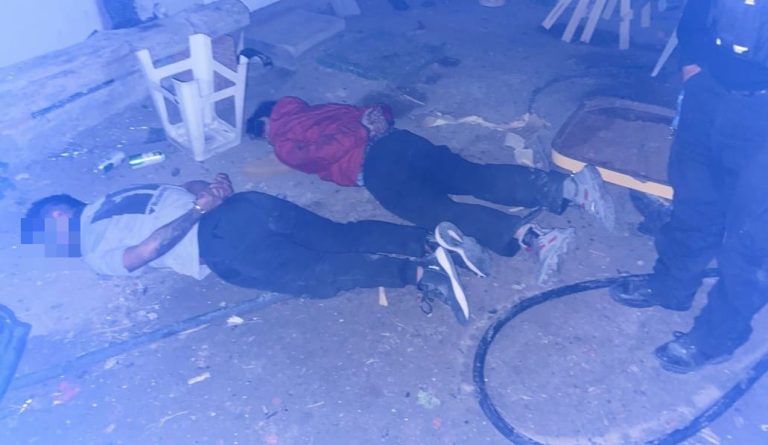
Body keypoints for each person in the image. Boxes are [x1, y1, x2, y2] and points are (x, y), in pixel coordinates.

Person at [22, 174, 489, 325]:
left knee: (319, 276)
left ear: (59, 215)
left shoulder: (92, 247)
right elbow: (188, 185)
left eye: (47, 237)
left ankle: (424, 275)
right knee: (338, 236)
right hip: (247, 206)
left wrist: (199, 210)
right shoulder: (119, 195)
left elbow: (142, 253)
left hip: (223, 242)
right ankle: (430, 242)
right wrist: (210, 194)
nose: (53, 248)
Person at [245, 97, 615, 285]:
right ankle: (571, 187)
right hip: (400, 142)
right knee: (471, 176)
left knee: (436, 212)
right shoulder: (321, 109)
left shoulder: (283, 138)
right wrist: (374, 120)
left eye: (262, 134)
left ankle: (536, 237)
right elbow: (376, 110)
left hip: (375, 166)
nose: (269, 142)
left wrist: (361, 131)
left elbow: (313, 155)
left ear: (266, 121)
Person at [611, 0, 768, 373]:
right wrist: (693, 59)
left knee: (753, 238)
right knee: (694, 199)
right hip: (709, 88)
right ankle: (672, 284)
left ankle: (719, 334)